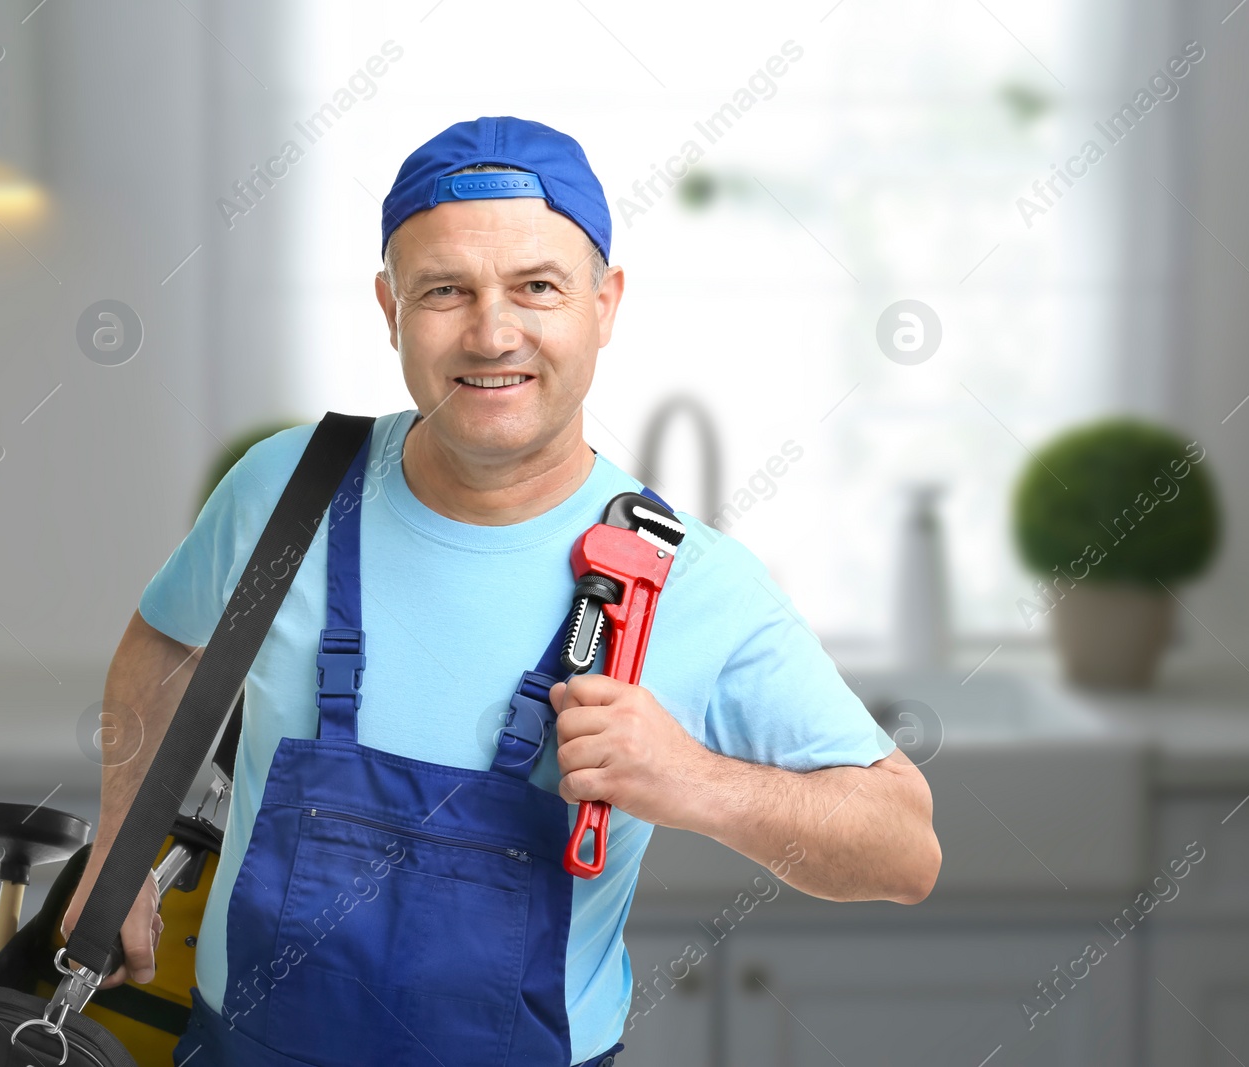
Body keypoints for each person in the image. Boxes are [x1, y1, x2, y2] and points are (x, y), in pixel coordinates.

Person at [61, 115, 940, 1067]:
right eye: (445, 289)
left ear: (604, 304)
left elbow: (902, 850)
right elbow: (162, 644)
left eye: (537, 288)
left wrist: (692, 782)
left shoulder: (687, 584)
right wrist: (121, 840)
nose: (492, 333)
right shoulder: (284, 492)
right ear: (390, 307)